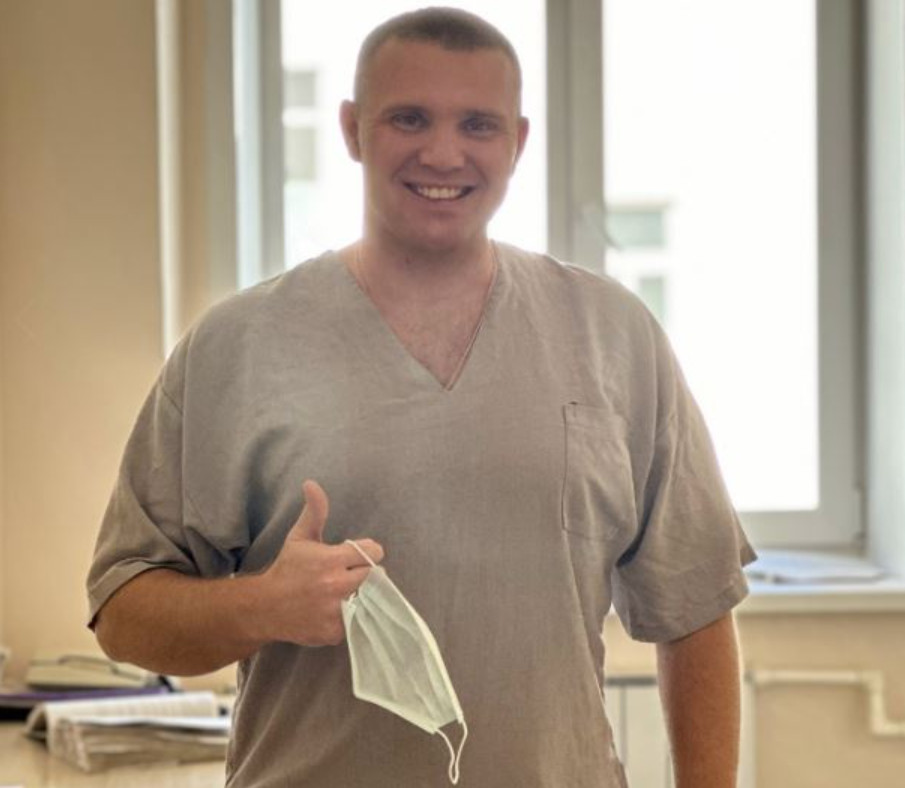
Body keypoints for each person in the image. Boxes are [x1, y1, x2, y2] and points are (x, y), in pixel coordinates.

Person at [87, 7, 755, 787]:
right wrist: (262, 605)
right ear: (352, 129)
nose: (443, 153)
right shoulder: (237, 346)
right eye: (409, 118)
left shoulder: (613, 336)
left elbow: (697, 607)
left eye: (478, 124)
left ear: (518, 141)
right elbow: (123, 611)